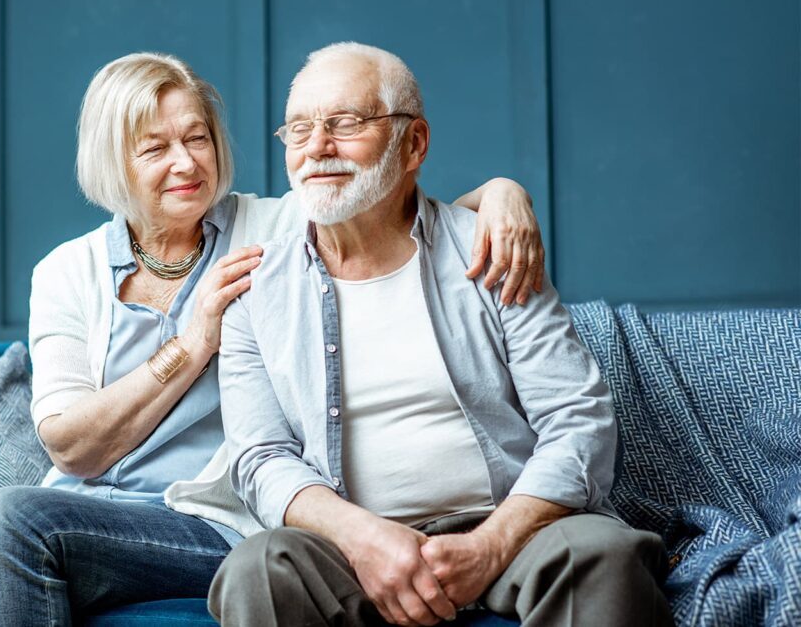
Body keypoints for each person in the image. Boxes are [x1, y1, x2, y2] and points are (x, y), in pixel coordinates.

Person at [0, 51, 546, 625]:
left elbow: (391, 204)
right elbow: (71, 445)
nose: (185, 162)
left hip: (218, 519)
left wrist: (502, 193)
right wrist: (193, 339)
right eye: (155, 147)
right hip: (86, 510)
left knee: (7, 519)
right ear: (113, 164)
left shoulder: (271, 226)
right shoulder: (67, 271)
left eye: (197, 137)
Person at [208, 42, 674, 627]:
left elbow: (578, 421)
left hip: (512, 527)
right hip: (350, 550)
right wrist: (366, 540)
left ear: (415, 144)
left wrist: (491, 547)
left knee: (603, 554)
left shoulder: (491, 249)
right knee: (260, 568)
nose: (317, 148)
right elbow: (260, 457)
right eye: (298, 130)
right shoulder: (257, 290)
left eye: (345, 123)